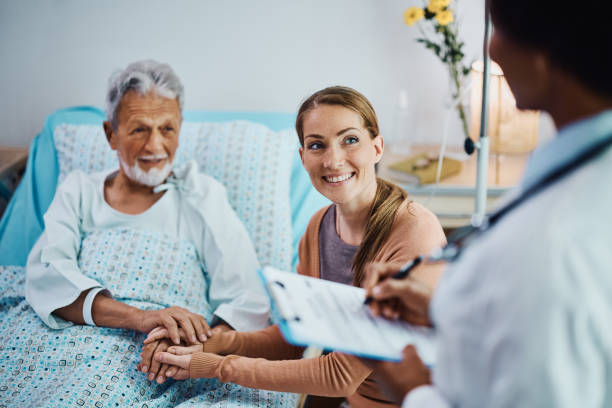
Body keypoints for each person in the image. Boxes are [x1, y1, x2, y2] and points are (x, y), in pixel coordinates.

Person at [362, 0, 612, 406]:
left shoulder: (553, 249)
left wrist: (414, 391)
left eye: (497, 28)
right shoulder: (581, 172)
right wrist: (448, 311)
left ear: (544, 53)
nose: (491, 49)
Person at [144, 86, 447, 408]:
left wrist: (216, 366)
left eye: (350, 140)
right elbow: (294, 339)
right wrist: (211, 343)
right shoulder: (318, 227)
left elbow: (339, 375)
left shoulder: (414, 234)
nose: (332, 160)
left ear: (377, 147)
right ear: (303, 157)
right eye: (317, 145)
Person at [11, 60, 286, 407]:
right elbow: (47, 274)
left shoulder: (202, 196)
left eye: (167, 129)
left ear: (180, 129)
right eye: (139, 129)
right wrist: (140, 318)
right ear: (111, 134)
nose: (155, 145)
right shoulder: (79, 191)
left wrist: (196, 346)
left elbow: (247, 298)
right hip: (69, 340)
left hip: (161, 357)